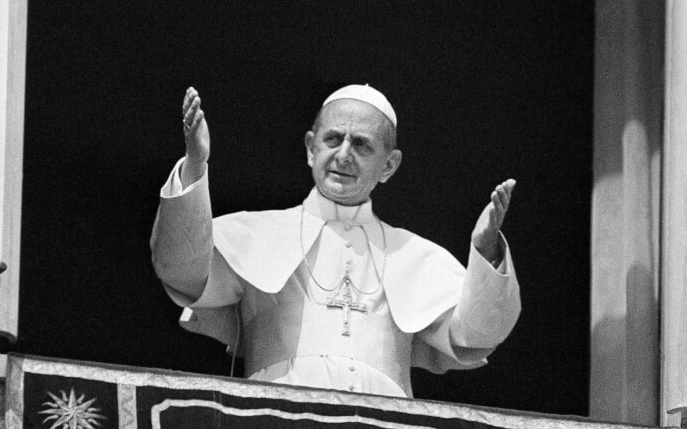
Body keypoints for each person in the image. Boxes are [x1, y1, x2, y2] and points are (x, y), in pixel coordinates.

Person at [151, 84, 520, 398]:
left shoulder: (415, 255)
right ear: (311, 148)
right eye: (332, 139)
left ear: (388, 165)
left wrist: (486, 254)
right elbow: (180, 270)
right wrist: (195, 168)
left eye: (361, 145)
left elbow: (475, 336)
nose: (343, 155)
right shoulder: (257, 232)